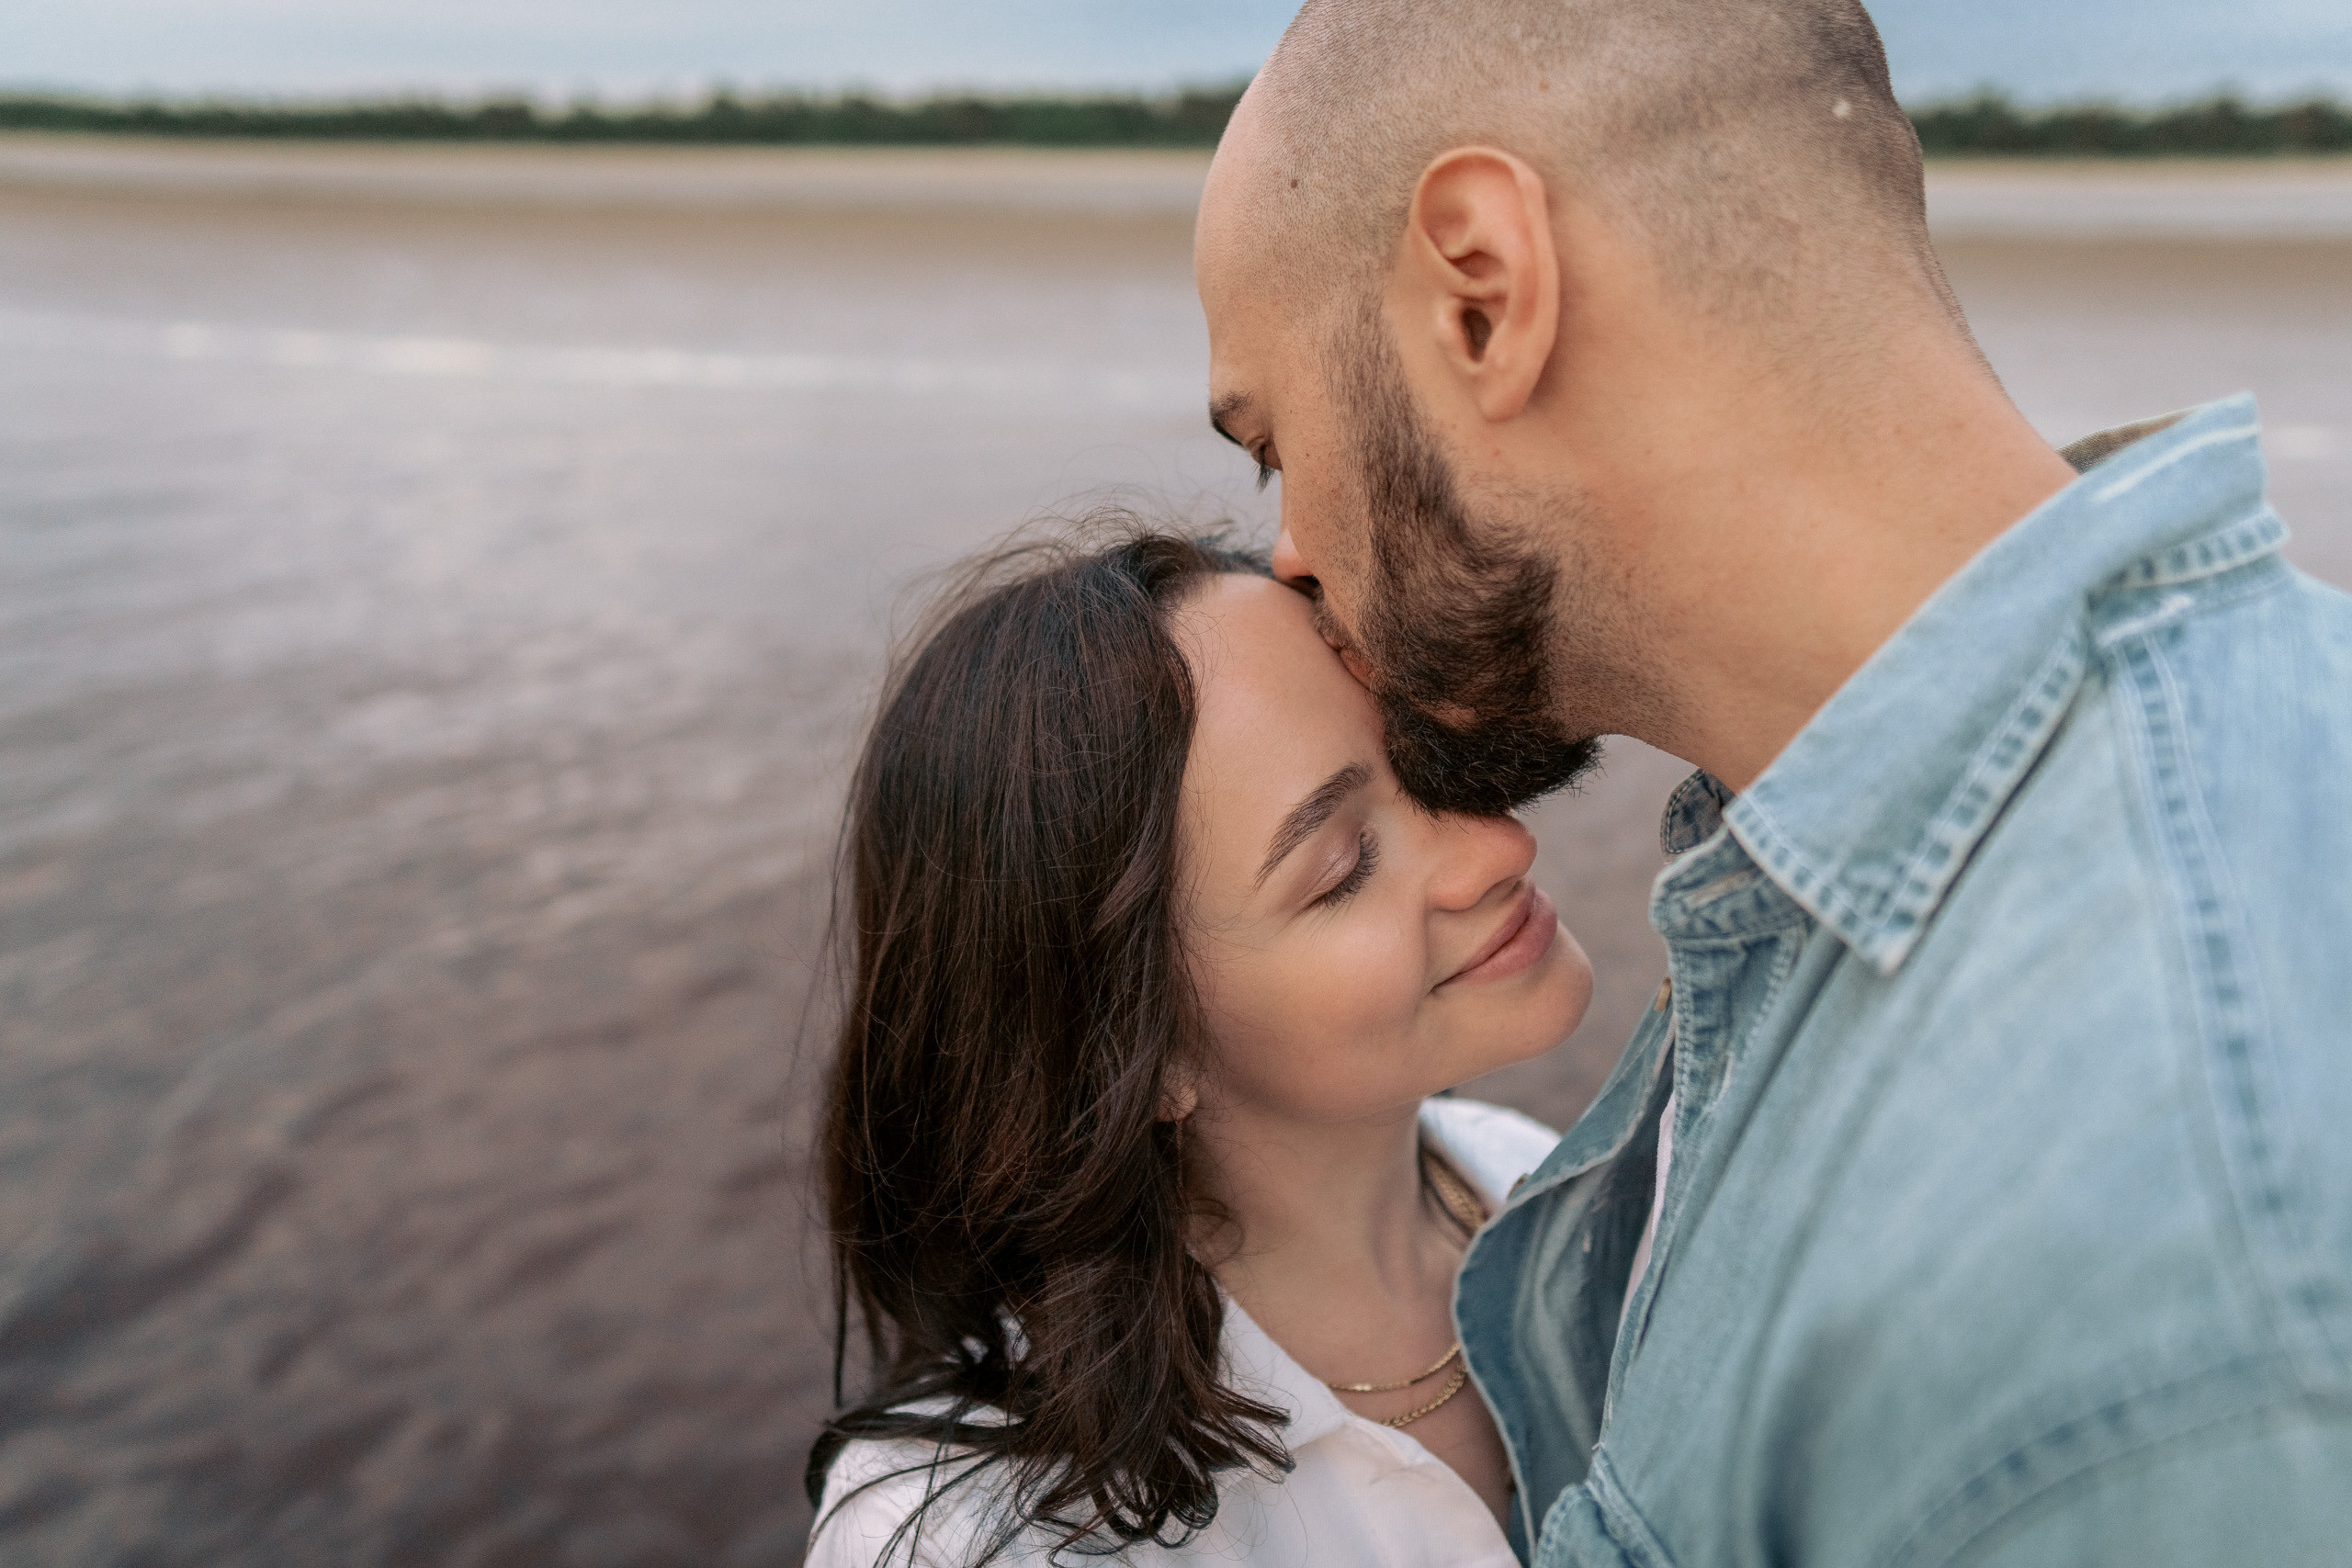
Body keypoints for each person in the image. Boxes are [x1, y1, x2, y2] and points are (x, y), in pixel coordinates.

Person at [1194, 2, 2352, 1564]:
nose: (1296, 554)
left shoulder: (2177, 1287)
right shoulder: (1919, 870)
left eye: (1274, 442)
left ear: (1481, 293)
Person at [803, 529, 1588, 1565]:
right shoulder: (977, 1540)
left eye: (1426, 763)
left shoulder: (1572, 1190)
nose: (1499, 845)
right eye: (1345, 864)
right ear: (1138, 1046)